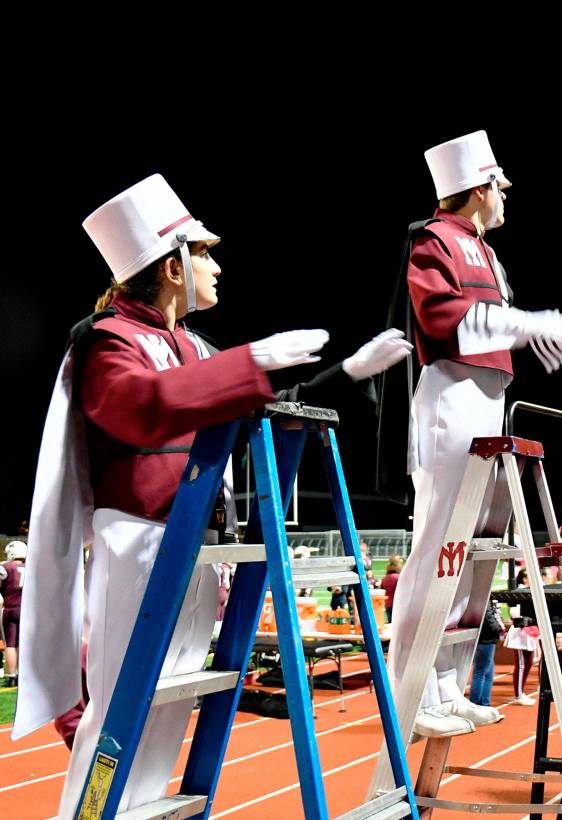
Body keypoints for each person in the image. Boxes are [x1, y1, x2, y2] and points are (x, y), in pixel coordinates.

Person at [14, 175, 410, 819]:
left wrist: (346, 375)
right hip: (140, 543)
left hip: (199, 548)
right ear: (172, 267)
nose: (217, 266)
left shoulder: (194, 346)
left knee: (167, 720)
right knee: (118, 722)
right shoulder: (106, 337)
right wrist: (250, 363)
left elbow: (265, 404)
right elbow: (143, 407)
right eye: (204, 253)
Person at [376, 130, 562, 738]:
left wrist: (555, 331)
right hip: (451, 394)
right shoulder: (432, 237)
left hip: (490, 397)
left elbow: (502, 327)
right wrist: (549, 324)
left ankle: (449, 685)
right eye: (501, 186)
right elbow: (442, 318)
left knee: (477, 553)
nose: (506, 196)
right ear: (478, 188)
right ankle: (411, 692)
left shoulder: (487, 253)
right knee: (438, 546)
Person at [504, 569, 540, 706]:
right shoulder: (519, 592)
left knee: (529, 662)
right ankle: (518, 694)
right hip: (519, 632)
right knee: (521, 664)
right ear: (525, 579)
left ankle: (521, 692)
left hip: (529, 630)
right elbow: (514, 613)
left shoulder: (531, 591)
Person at [0, 540, 27, 686]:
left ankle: (11, 676)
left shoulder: (6, 567)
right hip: (26, 610)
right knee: (23, 642)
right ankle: (23, 675)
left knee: (10, 643)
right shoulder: (29, 567)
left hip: (10, 608)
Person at [469, 598, 504, 706]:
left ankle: (485, 704)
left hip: (487, 638)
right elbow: (487, 617)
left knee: (488, 673)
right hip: (486, 638)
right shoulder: (483, 598)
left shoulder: (482, 597)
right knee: (480, 672)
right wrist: (498, 628)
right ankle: (475, 704)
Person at [380, 555, 403, 622]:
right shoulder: (399, 577)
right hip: (398, 604)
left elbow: (382, 589)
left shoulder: (385, 578)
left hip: (388, 604)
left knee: (391, 623)